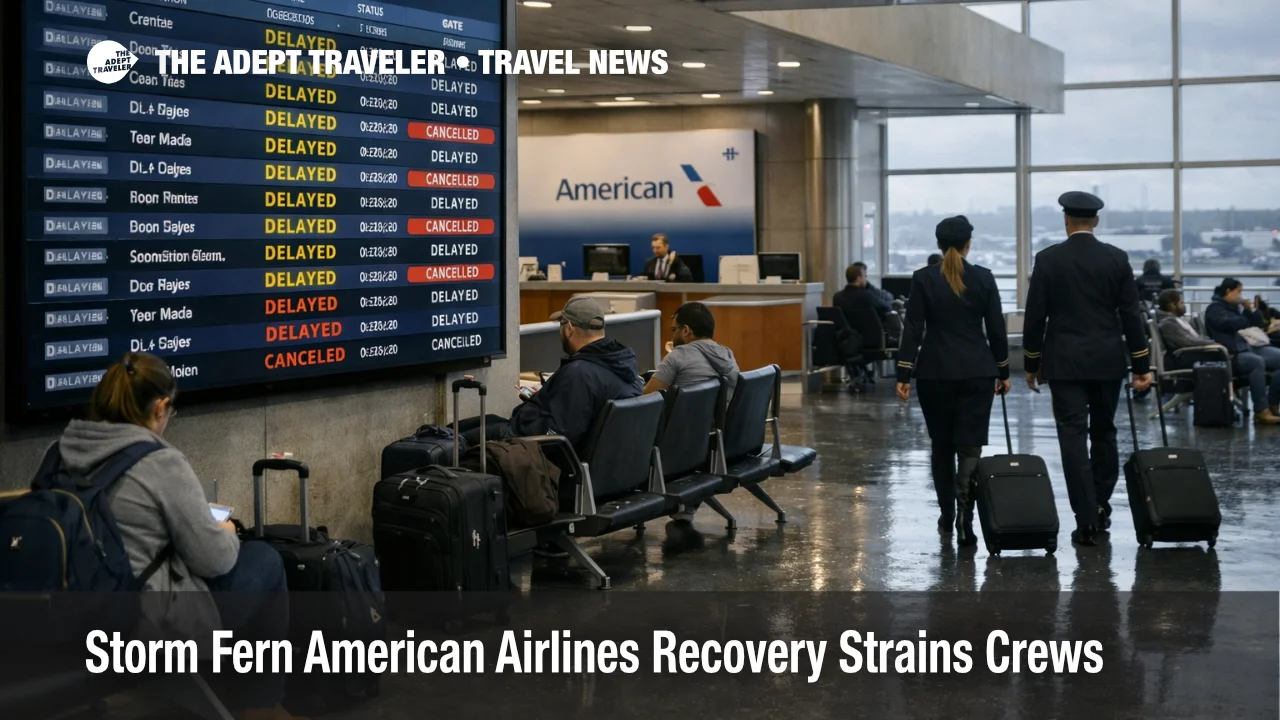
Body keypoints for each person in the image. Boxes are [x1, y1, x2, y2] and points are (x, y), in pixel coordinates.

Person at [58, 353, 297, 720]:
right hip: (142, 628)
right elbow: (214, 559)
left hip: (70, 619)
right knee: (265, 561)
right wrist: (229, 532)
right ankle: (260, 704)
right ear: (160, 406)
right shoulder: (159, 462)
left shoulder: (60, 453)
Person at [1023, 191, 1153, 547]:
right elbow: (1131, 316)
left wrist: (1031, 363)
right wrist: (1142, 364)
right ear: (1095, 222)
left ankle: (1085, 517)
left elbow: (1035, 316)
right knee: (1105, 431)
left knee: (1072, 435)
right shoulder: (1116, 258)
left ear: (1066, 221)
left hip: (1064, 363)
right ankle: (1101, 502)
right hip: (1108, 361)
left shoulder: (1048, 260)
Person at [895, 216, 1010, 546]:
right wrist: (1002, 371)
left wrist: (904, 373)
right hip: (977, 371)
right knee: (970, 446)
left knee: (941, 448)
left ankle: (946, 515)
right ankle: (965, 519)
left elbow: (913, 328)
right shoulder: (984, 278)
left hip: (934, 372)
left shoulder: (923, 279)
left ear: (938, 244)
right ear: (968, 244)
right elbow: (997, 331)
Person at [458, 297, 643, 450]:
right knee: (478, 423)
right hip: (605, 467)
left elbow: (554, 436)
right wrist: (548, 397)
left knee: (458, 440)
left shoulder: (578, 373)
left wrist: (535, 408)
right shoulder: (623, 365)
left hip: (547, 457)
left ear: (569, 328)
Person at [1204, 278, 1280, 422]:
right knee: (1255, 362)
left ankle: (1273, 403)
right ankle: (1261, 410)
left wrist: (1251, 310)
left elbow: (1255, 322)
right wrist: (1245, 312)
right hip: (1231, 353)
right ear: (1228, 291)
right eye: (1238, 292)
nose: (1241, 296)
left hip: (1245, 348)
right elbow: (1234, 324)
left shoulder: (1230, 308)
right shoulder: (1215, 309)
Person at [643, 302, 740, 397]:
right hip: (719, 413)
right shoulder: (728, 355)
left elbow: (647, 398)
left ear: (686, 331)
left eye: (674, 330)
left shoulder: (677, 356)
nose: (673, 336)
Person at [834, 263, 902, 346]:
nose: (866, 279)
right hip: (874, 340)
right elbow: (887, 307)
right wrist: (869, 287)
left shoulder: (837, 297)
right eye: (865, 277)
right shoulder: (867, 296)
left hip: (848, 341)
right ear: (859, 279)